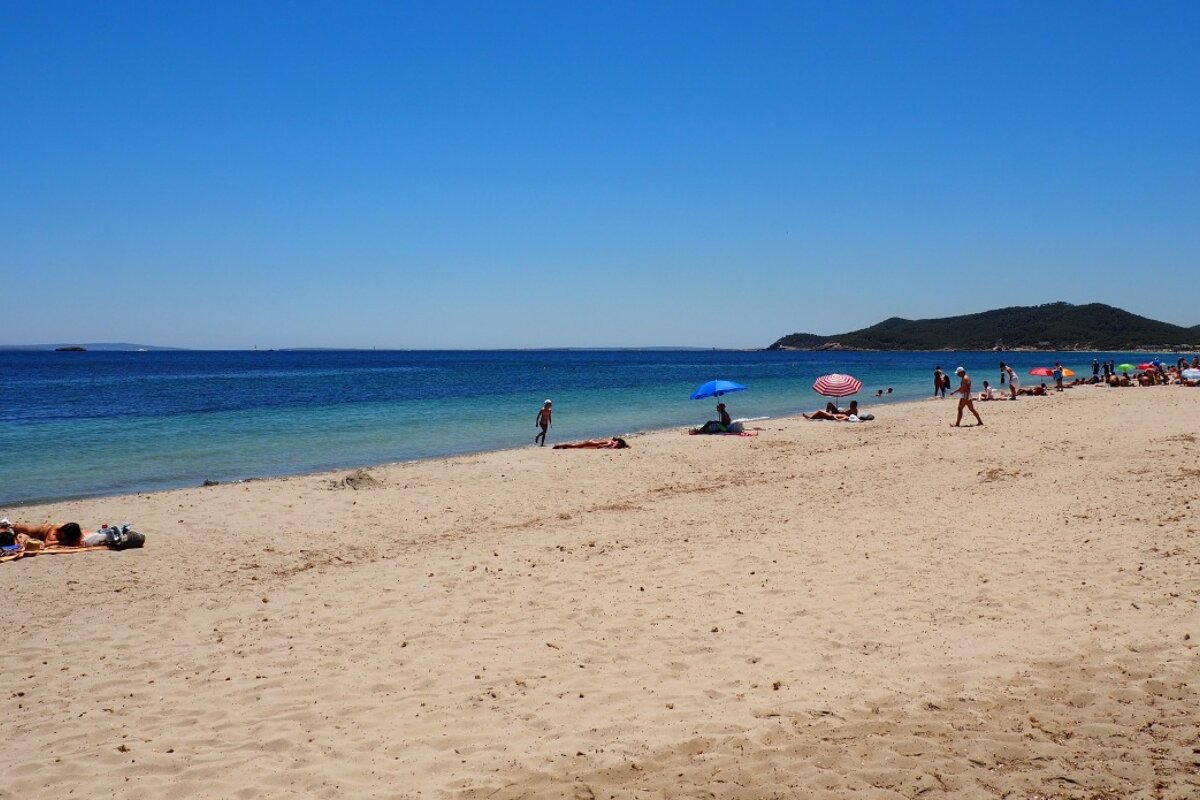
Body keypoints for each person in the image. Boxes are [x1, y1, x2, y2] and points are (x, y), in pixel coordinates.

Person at [8, 521, 84, 547]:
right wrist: (63, 542)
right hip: (39, 531)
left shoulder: (73, 532)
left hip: (47, 528)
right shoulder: (55, 530)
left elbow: (80, 539)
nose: (61, 536)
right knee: (28, 530)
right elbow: (47, 543)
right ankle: (11, 525)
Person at [553, 438, 628, 449]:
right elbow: (599, 446)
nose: (617, 446)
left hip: (591, 442)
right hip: (590, 443)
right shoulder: (610, 442)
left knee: (575, 446)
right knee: (574, 446)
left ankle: (561, 446)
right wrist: (609, 448)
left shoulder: (612, 442)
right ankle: (558, 446)